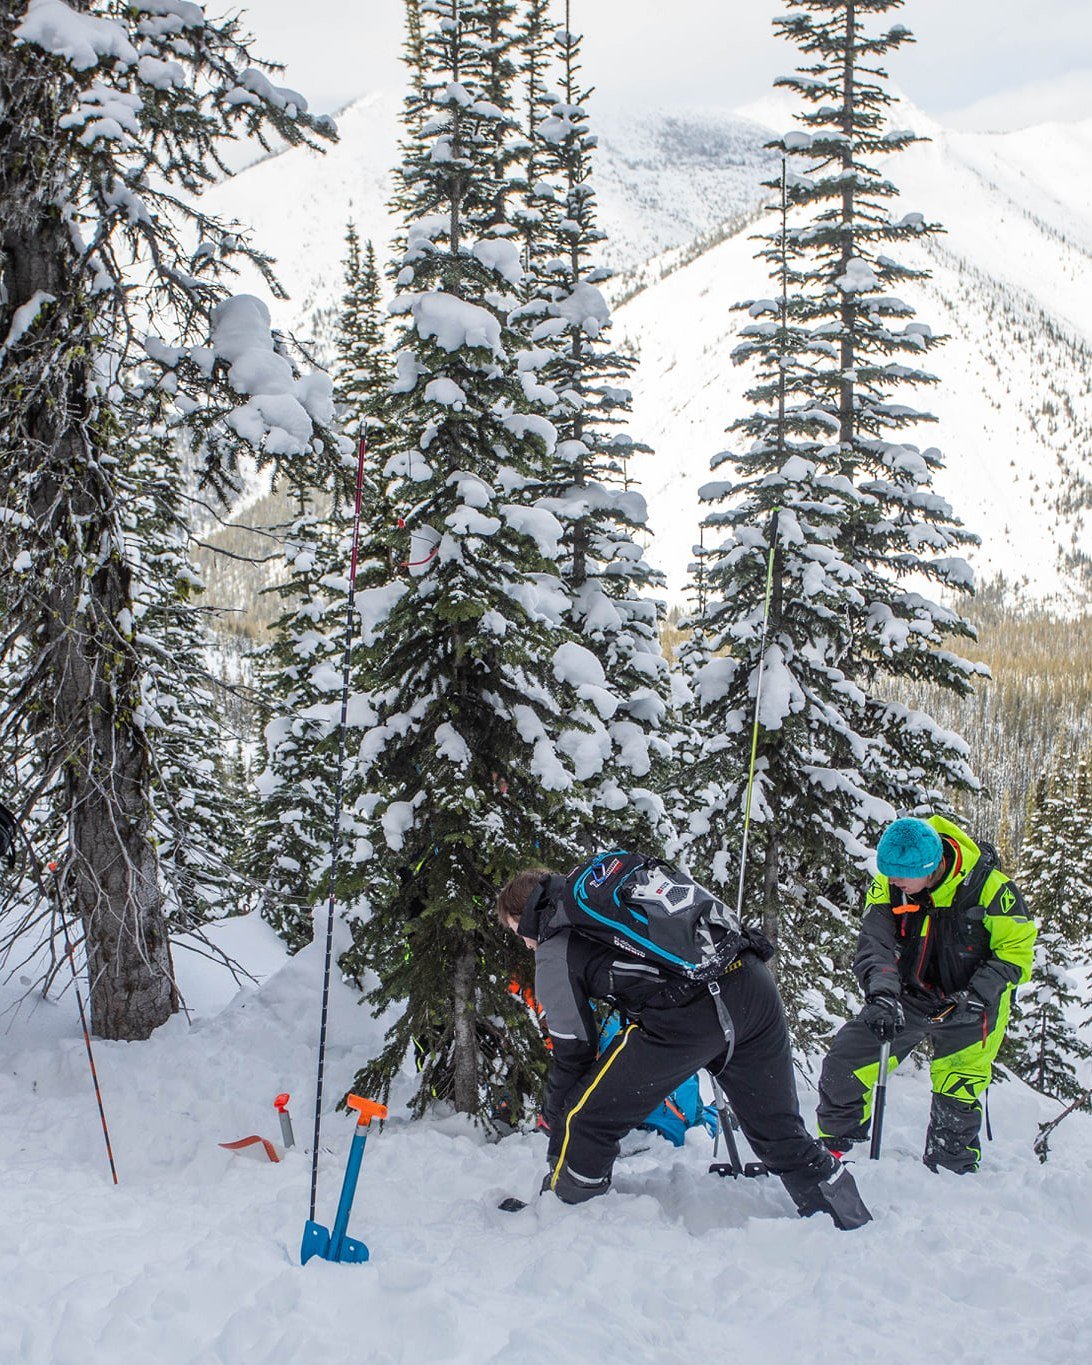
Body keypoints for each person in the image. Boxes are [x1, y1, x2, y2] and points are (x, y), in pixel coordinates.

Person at [495, 863, 872, 1230]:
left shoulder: (554, 948)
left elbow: (573, 1048)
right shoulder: (606, 895)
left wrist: (555, 1110)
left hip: (691, 1016)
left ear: (523, 916)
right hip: (752, 983)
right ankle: (851, 1221)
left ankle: (565, 1213)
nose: (524, 943)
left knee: (584, 1119)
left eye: (516, 931)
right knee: (779, 1131)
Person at [816, 814, 1036, 1174]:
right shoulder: (888, 886)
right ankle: (839, 1156)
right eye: (889, 872)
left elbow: (1016, 952)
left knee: (956, 1096)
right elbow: (876, 943)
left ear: (931, 867)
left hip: (972, 1004)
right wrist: (882, 995)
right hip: (909, 996)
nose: (894, 880)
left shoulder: (992, 890)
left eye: (902, 874)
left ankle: (951, 1181)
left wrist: (978, 995)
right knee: (845, 1065)